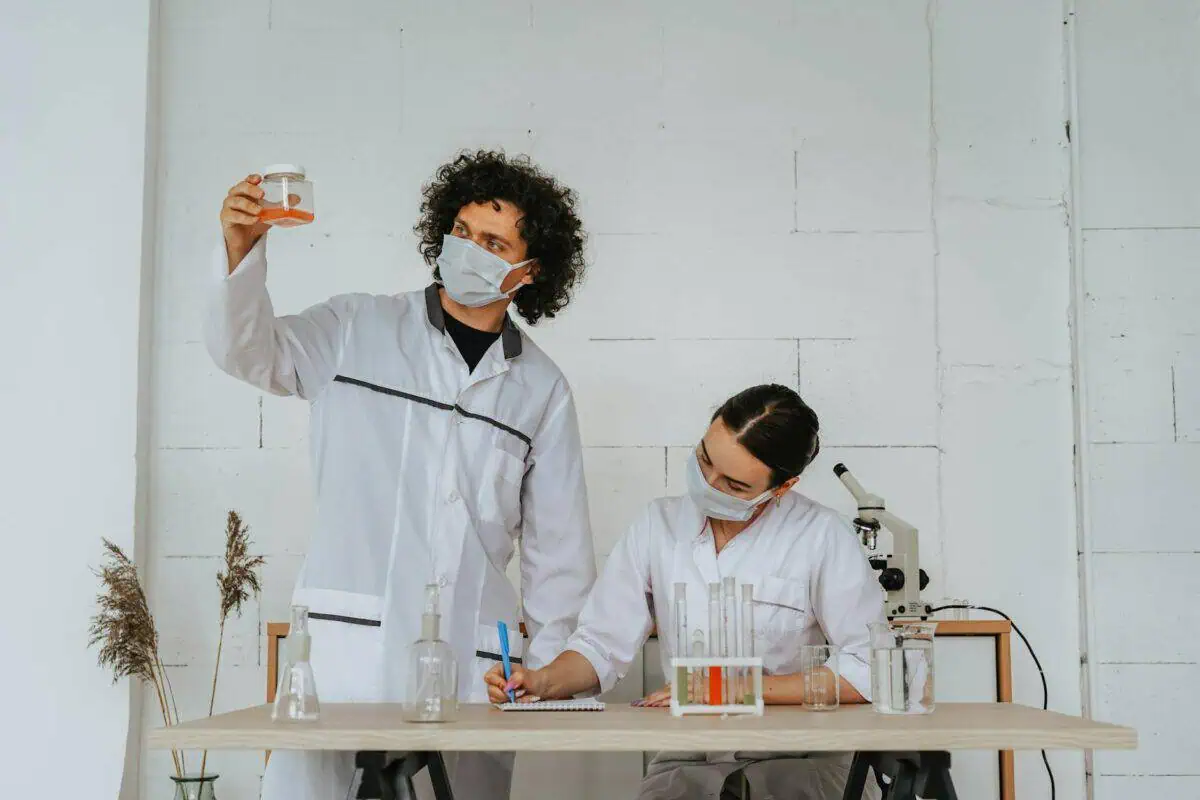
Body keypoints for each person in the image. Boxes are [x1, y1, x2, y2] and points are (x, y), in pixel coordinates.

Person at [206, 150, 597, 800]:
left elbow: (560, 562)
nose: (471, 250)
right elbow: (245, 352)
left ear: (529, 273)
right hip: (345, 658)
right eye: (463, 232)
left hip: (473, 674)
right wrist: (240, 248)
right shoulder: (356, 328)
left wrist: (550, 678)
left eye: (494, 243)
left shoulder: (542, 390)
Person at [486, 384, 887, 800]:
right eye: (704, 461)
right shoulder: (657, 526)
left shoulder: (822, 536)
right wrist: (542, 680)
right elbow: (600, 645)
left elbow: (869, 668)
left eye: (733, 485)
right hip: (689, 762)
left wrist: (729, 688)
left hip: (800, 760)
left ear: (781, 488)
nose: (709, 485)